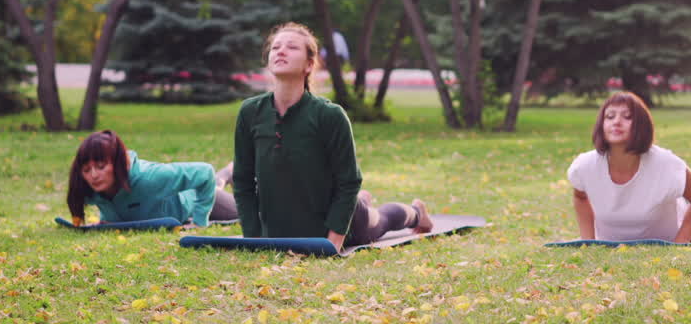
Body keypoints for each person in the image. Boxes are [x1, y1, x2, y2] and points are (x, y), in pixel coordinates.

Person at [232, 22, 431, 252]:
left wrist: (332, 242)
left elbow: (348, 182)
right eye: (276, 47)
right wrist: (254, 239)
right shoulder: (250, 112)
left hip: (338, 225)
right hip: (280, 229)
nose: (281, 51)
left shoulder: (329, 115)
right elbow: (243, 181)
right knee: (359, 202)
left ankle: (417, 212)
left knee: (381, 219)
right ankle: (365, 199)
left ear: (309, 65)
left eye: (292, 47)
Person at [567, 91, 691, 243]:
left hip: (672, 233)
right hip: (620, 233)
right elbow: (580, 197)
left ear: (641, 125)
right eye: (610, 116)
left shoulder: (667, 164)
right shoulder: (585, 166)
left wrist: (680, 243)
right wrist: (588, 242)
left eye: (627, 117)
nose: (617, 122)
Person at [65, 130, 236, 227]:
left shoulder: (150, 178)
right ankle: (227, 173)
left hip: (192, 200)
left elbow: (204, 172)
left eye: (101, 167)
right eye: (87, 170)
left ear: (117, 164)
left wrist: (199, 223)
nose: (93, 175)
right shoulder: (88, 186)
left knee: (254, 214)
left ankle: (232, 171)